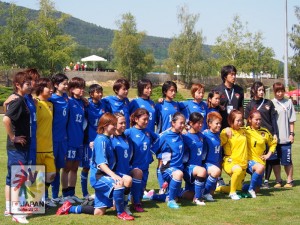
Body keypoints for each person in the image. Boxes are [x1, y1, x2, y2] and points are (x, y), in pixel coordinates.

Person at [56, 113, 134, 221]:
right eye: (114, 125)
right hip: (99, 177)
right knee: (119, 183)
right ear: (105, 126)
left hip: (104, 176)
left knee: (99, 212)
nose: (116, 127)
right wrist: (114, 175)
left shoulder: (106, 139)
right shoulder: (101, 140)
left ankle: (70, 208)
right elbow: (101, 164)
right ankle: (121, 212)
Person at [3, 71, 32, 223]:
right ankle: (16, 213)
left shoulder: (20, 99)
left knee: (10, 179)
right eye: (27, 84)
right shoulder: (19, 101)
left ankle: (9, 208)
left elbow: (8, 110)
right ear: (18, 85)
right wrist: (13, 137)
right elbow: (6, 120)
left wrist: (5, 104)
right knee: (17, 179)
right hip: (17, 148)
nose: (30, 86)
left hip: (17, 148)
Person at [245, 81, 278, 188]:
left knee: (268, 157)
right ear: (254, 90)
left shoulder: (268, 103)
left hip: (267, 135)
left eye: (263, 90)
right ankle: (256, 179)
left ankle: (266, 180)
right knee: (257, 157)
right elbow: (247, 121)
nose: (261, 92)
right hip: (255, 136)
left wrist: (275, 133)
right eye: (259, 90)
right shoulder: (250, 105)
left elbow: (273, 119)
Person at [124, 108, 158, 212]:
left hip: (145, 166)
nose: (147, 122)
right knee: (134, 188)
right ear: (135, 119)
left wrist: (151, 152)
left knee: (140, 190)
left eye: (148, 119)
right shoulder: (129, 132)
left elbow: (159, 139)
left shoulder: (148, 132)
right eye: (144, 119)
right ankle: (133, 203)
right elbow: (116, 138)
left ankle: (136, 201)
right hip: (133, 166)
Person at [152, 112, 186, 209]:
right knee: (178, 174)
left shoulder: (181, 135)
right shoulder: (164, 135)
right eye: (181, 123)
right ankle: (170, 202)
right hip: (168, 169)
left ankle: (153, 196)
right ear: (173, 123)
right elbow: (154, 149)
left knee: (175, 197)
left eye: (184, 123)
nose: (183, 125)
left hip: (179, 168)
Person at [80, 84, 108, 199]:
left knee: (102, 165)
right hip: (89, 140)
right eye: (97, 92)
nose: (100, 94)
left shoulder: (104, 104)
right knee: (87, 166)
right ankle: (84, 193)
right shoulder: (86, 104)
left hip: (102, 140)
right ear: (91, 94)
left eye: (101, 92)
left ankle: (100, 192)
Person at [61, 77, 86, 204]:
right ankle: (65, 194)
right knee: (66, 167)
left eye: (83, 87)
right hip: (69, 140)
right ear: (71, 89)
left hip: (79, 140)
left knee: (75, 168)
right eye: (79, 87)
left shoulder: (82, 103)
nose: (82, 90)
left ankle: (72, 192)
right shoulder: (68, 101)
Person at [155, 81, 181, 192]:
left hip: (174, 139)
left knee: (173, 163)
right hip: (164, 139)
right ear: (165, 92)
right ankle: (162, 187)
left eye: (175, 90)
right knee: (162, 162)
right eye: (171, 90)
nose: (173, 93)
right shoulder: (159, 105)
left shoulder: (177, 105)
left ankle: (171, 186)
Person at [35, 78, 57, 207]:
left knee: (51, 175)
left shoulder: (51, 105)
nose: (51, 90)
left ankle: (41, 197)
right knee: (36, 176)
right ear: (41, 88)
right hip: (37, 147)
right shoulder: (35, 103)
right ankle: (39, 201)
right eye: (48, 87)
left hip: (48, 147)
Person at [244, 110, 277, 198]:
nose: (258, 121)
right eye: (256, 119)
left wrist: (268, 155)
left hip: (261, 162)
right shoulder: (245, 130)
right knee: (259, 168)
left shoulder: (265, 132)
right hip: (249, 161)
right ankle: (250, 190)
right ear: (250, 120)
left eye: (260, 119)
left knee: (257, 188)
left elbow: (273, 143)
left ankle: (234, 187)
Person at [48, 73, 69, 205]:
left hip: (63, 140)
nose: (66, 86)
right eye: (64, 84)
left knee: (58, 169)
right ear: (56, 85)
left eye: (67, 83)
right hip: (51, 139)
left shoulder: (66, 97)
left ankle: (55, 196)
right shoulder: (51, 99)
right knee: (48, 169)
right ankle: (44, 197)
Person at [217, 109, 247, 200]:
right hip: (230, 162)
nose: (240, 122)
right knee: (237, 170)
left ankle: (218, 188)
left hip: (243, 163)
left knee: (238, 188)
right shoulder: (226, 132)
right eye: (238, 120)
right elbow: (218, 144)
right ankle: (232, 193)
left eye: (241, 120)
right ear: (231, 121)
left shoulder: (244, 131)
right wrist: (226, 129)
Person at [271, 82, 296, 188]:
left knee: (287, 160)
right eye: (277, 91)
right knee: (275, 161)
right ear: (274, 92)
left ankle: (289, 180)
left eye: (281, 91)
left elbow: (291, 120)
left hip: (286, 137)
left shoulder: (288, 102)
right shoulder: (271, 103)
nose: (279, 93)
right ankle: (278, 180)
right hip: (275, 138)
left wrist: (291, 134)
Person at [182, 112, 207, 205]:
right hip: (189, 168)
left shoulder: (202, 136)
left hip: (198, 167)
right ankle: (197, 199)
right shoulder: (185, 137)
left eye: (202, 122)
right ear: (191, 123)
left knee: (189, 194)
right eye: (198, 123)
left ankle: (175, 193)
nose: (201, 125)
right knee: (202, 171)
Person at [111, 113, 133, 215]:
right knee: (128, 180)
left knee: (136, 174)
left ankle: (125, 204)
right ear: (114, 124)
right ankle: (122, 205)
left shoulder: (125, 137)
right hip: (115, 173)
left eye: (125, 123)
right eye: (121, 123)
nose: (124, 125)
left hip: (125, 170)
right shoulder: (110, 139)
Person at [214, 65, 244, 129]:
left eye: (235, 74)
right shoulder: (217, 90)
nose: (234, 77)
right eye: (232, 74)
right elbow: (212, 107)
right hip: (221, 125)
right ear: (225, 76)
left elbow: (240, 106)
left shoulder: (239, 90)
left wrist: (242, 120)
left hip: (235, 126)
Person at [202, 112, 222, 202]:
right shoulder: (205, 135)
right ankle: (204, 193)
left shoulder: (218, 136)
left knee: (212, 193)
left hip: (215, 163)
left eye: (220, 123)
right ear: (209, 124)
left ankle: (205, 192)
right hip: (207, 164)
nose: (219, 125)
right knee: (216, 171)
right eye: (217, 123)